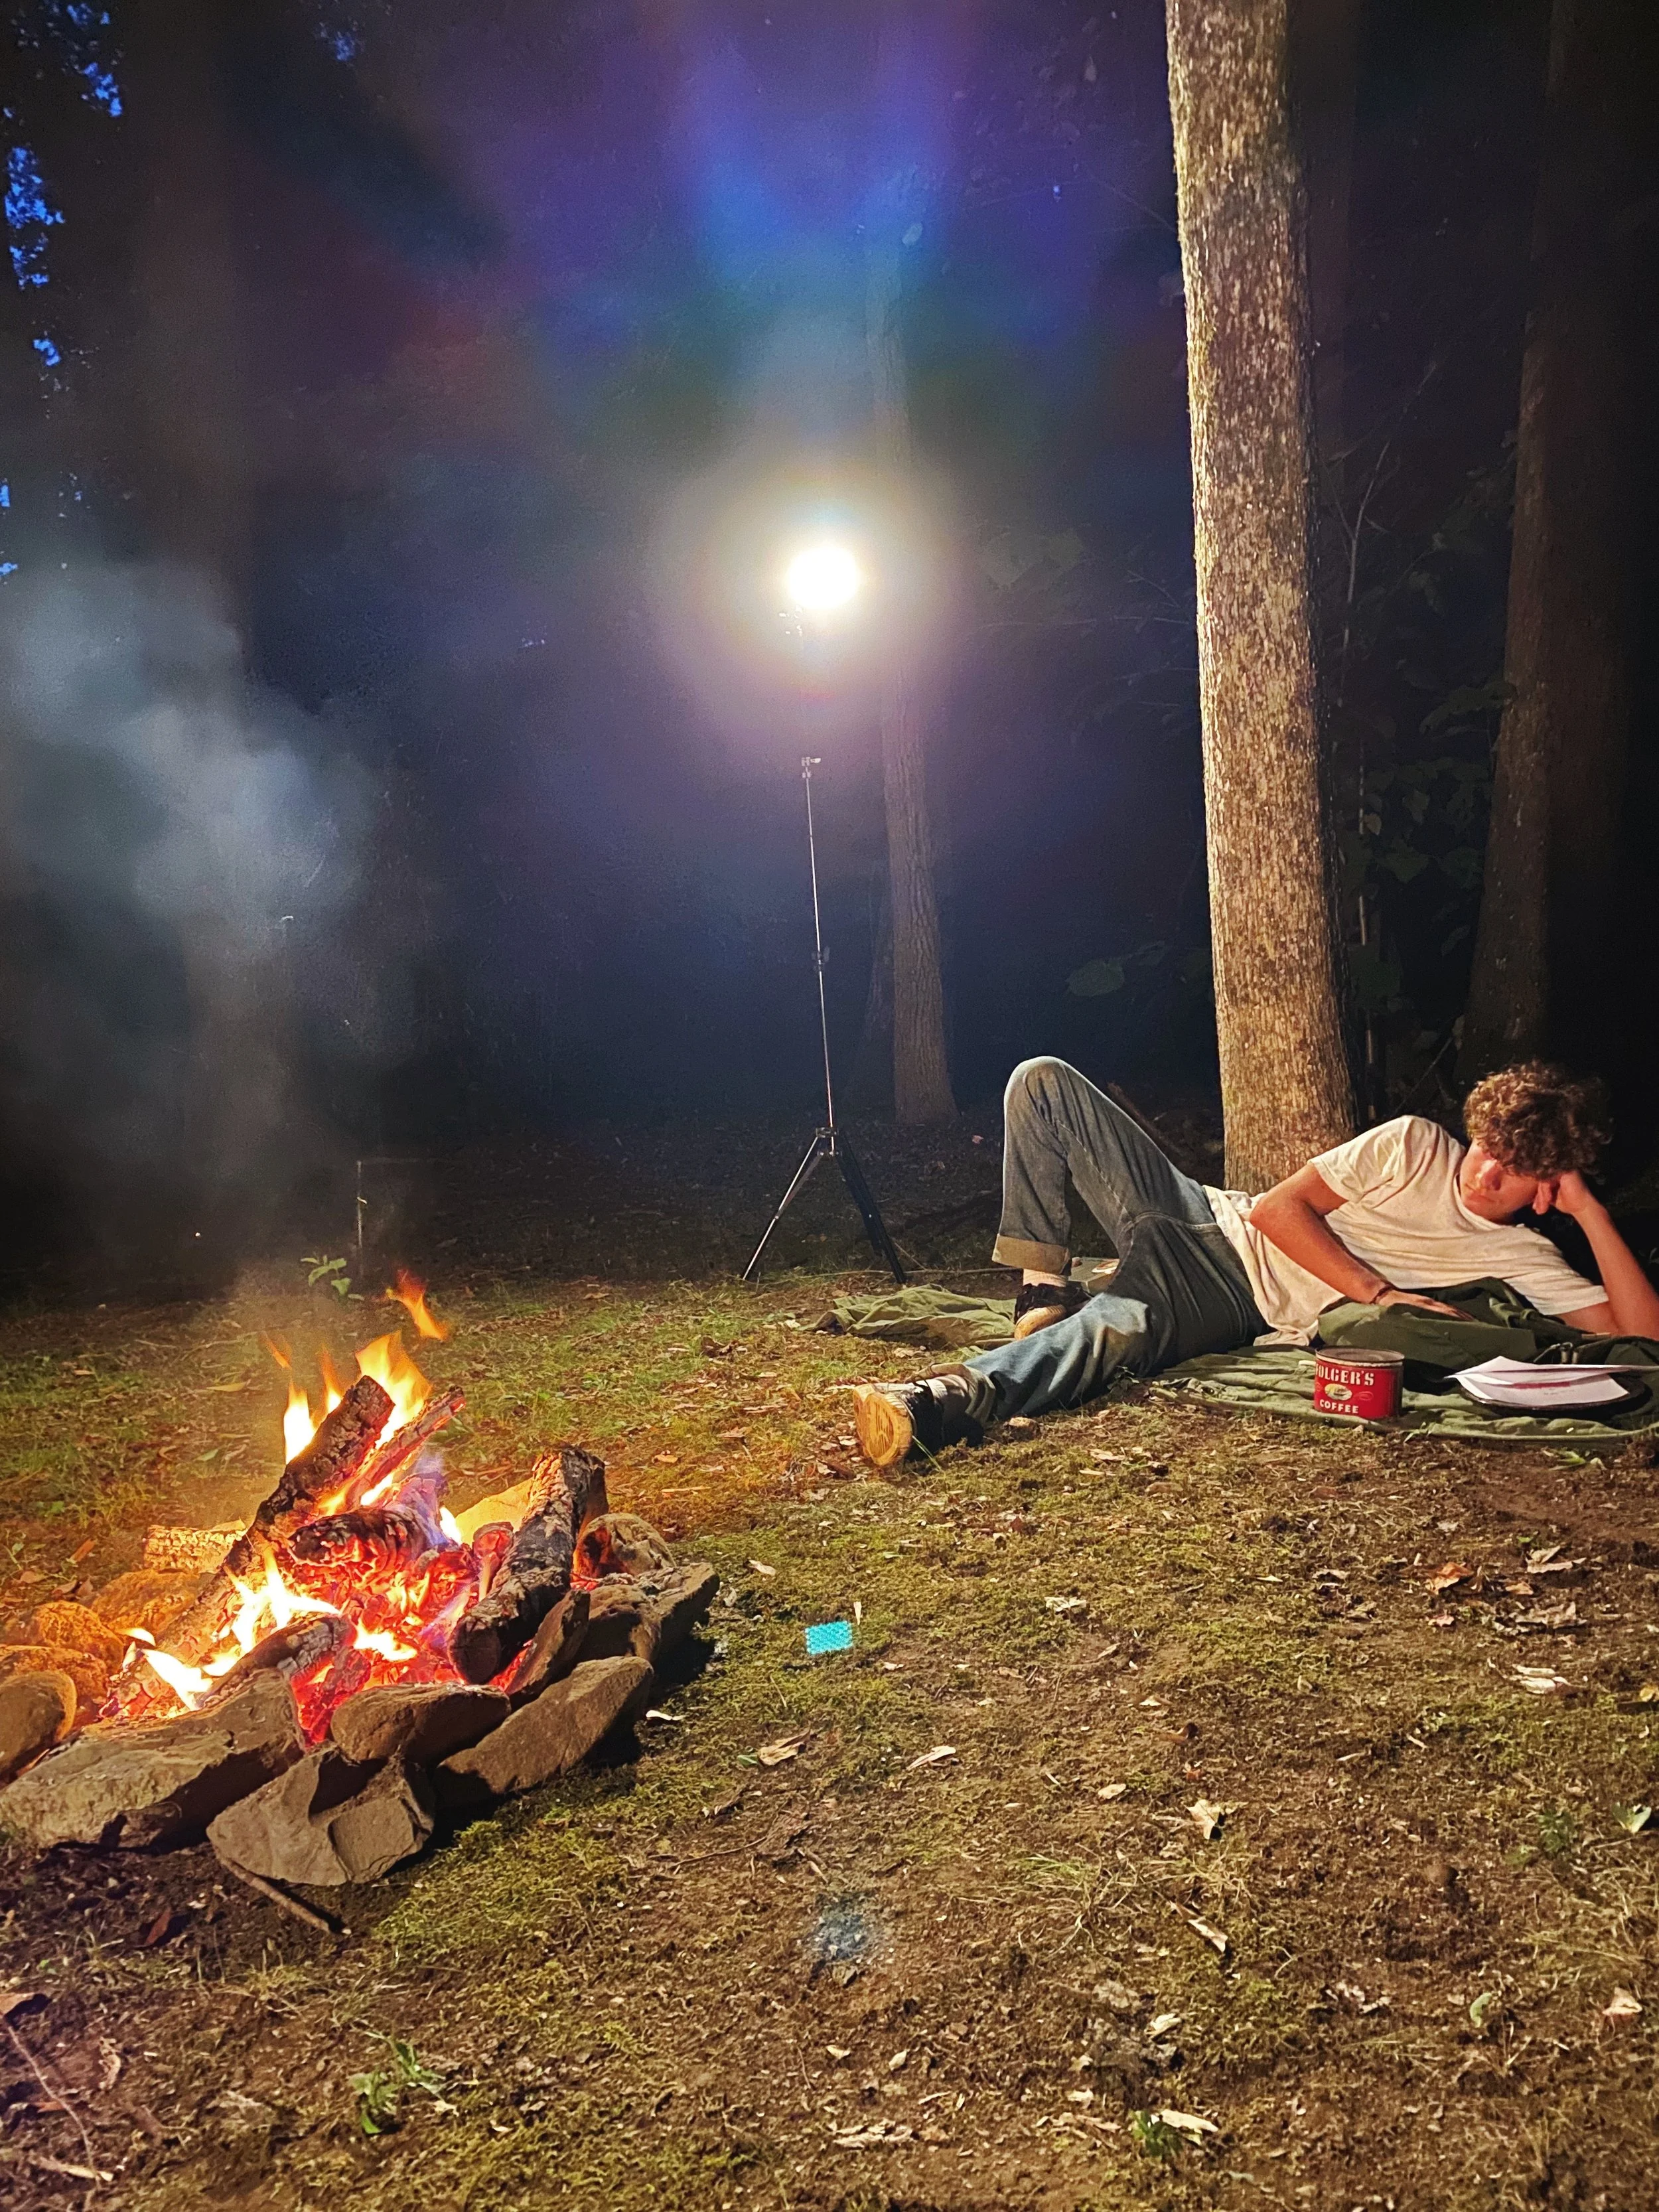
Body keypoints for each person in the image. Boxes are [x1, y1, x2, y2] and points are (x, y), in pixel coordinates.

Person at [852, 1056, 1659, 1467]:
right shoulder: (1415, 1144)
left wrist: (1590, 1212)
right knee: (1043, 1083)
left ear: (1547, 1178)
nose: (1485, 1171)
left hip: (1225, 1293)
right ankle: (1041, 1283)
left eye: (1515, 1167)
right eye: (1489, 1146)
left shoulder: (1518, 1252)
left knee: (1113, 1339)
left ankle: (936, 1401)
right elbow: (1278, 1209)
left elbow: (1638, 1333)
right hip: (1203, 1213)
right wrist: (1379, 1291)